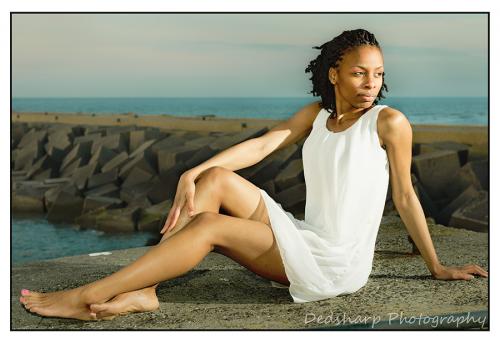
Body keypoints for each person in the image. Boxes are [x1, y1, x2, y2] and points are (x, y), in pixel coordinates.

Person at [19, 28, 488, 320]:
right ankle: (145, 292)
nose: (371, 83)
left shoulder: (389, 121)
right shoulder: (316, 115)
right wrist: (195, 168)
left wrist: (438, 268)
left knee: (207, 225)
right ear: (334, 74)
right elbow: (263, 144)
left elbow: (405, 196)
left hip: (334, 263)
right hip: (307, 236)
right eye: (360, 73)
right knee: (216, 181)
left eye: (378, 74)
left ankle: (88, 295)